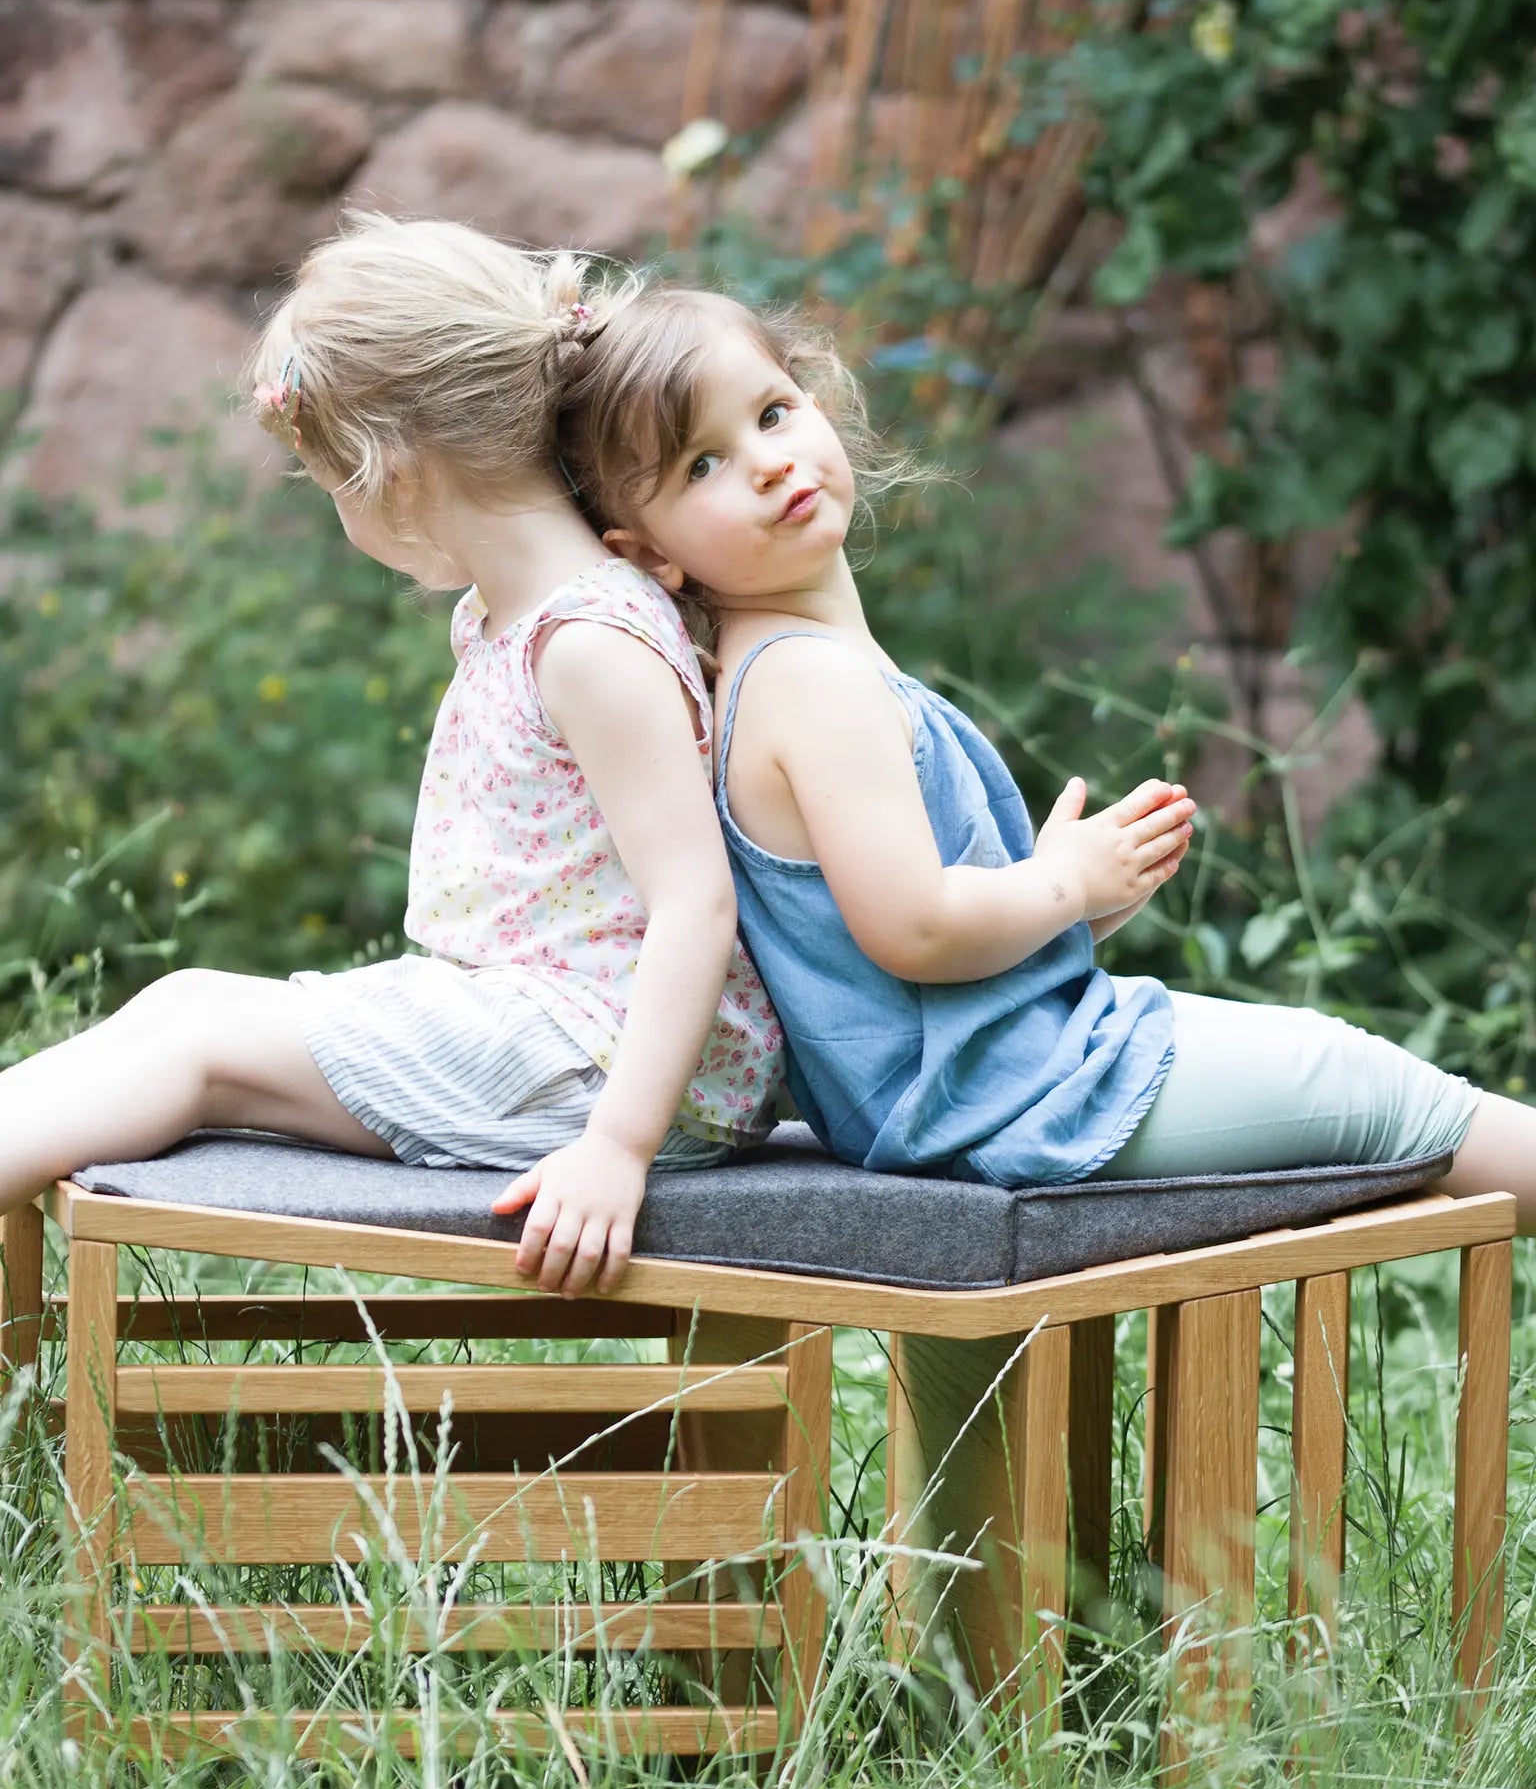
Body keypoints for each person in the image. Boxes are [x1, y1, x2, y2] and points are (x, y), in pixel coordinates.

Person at [552, 283, 1536, 1227]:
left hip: (984, 1078)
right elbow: (916, 932)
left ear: (816, 400)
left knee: (1342, 1082)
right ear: (648, 554)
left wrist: (1076, 902)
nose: (765, 461)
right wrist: (1061, 884)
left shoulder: (795, 666)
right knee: (1373, 1088)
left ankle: (963, 1411)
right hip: (1004, 1093)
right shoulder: (809, 683)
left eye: (770, 412)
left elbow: (885, 961)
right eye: (701, 466)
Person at [0, 220, 783, 1298]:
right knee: (187, 1006)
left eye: (325, 478)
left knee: (198, 1047)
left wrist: (619, 1145)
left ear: (393, 475)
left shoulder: (590, 639)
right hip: (550, 1030)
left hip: (614, 1064)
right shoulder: (511, 615)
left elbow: (697, 899)